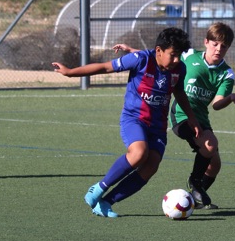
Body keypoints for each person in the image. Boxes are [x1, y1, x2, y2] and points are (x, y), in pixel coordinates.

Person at [52, 27, 200, 218]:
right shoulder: (141, 60)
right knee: (139, 153)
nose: (177, 60)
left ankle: (106, 202)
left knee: (151, 166)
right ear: (159, 51)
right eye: (173, 55)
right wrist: (71, 72)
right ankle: (99, 187)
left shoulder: (179, 69)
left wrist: (191, 118)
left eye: (179, 55)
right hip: (134, 119)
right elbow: (105, 67)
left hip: (158, 127)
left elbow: (179, 92)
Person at [114, 22, 235, 210]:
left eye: (223, 46)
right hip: (182, 115)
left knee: (214, 164)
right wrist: (131, 51)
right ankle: (195, 182)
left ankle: (194, 200)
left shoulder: (226, 74)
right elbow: (159, 57)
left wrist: (230, 98)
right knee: (209, 145)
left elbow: (216, 104)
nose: (218, 49)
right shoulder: (189, 55)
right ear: (206, 42)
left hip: (201, 118)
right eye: (215, 44)